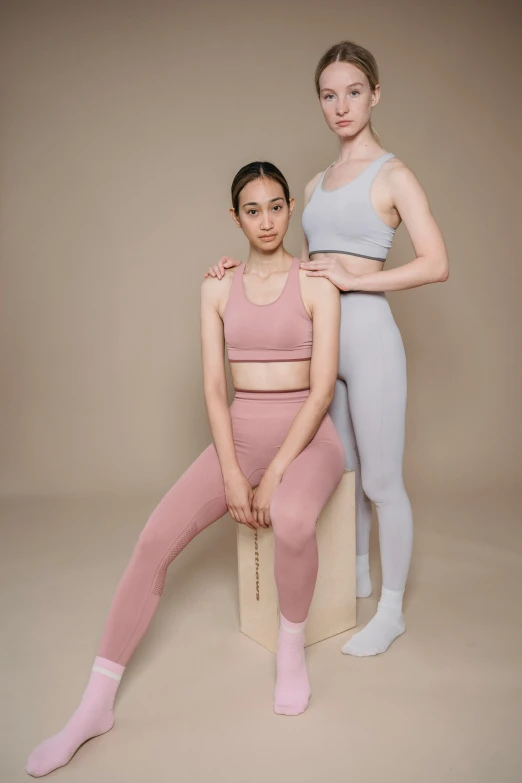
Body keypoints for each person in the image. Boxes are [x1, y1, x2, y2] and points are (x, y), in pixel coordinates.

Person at [25, 161, 345, 777]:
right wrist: (231, 470)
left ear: (290, 209)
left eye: (277, 206)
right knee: (150, 541)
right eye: (253, 210)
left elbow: (323, 390)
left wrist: (276, 471)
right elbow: (213, 388)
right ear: (235, 218)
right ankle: (93, 707)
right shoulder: (214, 288)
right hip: (241, 435)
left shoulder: (316, 283)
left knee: (293, 517)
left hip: (309, 439)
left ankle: (290, 652)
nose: (267, 220)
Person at [205, 41, 450, 658]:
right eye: (328, 94)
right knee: (342, 472)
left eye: (354, 92)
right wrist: (238, 272)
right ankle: (353, 580)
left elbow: (436, 263)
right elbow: (290, 261)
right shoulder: (313, 183)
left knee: (383, 480)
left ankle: (390, 609)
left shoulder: (393, 174)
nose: (341, 106)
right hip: (320, 344)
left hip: (367, 341)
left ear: (375, 94)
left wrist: (359, 280)